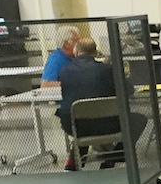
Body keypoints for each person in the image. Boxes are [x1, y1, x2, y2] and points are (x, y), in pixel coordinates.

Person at [57, 38, 146, 170]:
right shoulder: (108, 70)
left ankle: (74, 163)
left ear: (76, 52)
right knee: (139, 119)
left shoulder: (64, 71)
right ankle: (115, 156)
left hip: (75, 125)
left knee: (84, 125)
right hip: (108, 123)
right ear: (95, 53)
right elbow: (129, 89)